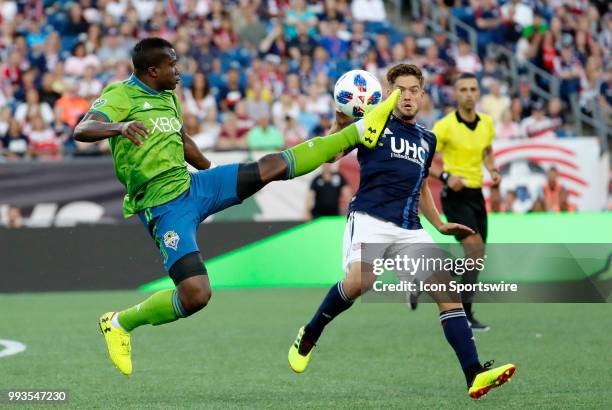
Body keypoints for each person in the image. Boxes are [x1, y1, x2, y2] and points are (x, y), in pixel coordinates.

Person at [73, 37, 398, 377]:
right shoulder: (120, 95)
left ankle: (358, 132)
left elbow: (180, 139)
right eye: (172, 64)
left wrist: (207, 165)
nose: (179, 70)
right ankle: (119, 323)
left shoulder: (168, 96)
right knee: (196, 295)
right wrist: (120, 127)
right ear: (152, 70)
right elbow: (83, 129)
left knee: (269, 168)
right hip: (163, 205)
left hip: (194, 186)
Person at [288, 64, 515, 399]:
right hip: (369, 218)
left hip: (410, 229)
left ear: (422, 95)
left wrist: (437, 223)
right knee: (360, 283)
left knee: (446, 292)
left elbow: (422, 186)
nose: (407, 96)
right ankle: (310, 332)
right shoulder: (373, 124)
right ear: (389, 93)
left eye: (413, 90)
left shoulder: (428, 138)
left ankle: (474, 375)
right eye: (400, 90)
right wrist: (340, 121)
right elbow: (334, 153)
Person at [428, 72, 502, 331]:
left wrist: (492, 170)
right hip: (455, 197)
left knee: (476, 257)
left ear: (478, 93)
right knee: (475, 251)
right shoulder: (445, 125)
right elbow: (424, 159)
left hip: (476, 195)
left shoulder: (486, 123)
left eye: (473, 89)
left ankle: (436, 275)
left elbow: (487, 151)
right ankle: (465, 315)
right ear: (455, 94)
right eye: (464, 90)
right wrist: (446, 177)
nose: (469, 94)